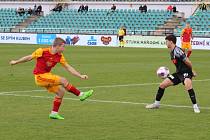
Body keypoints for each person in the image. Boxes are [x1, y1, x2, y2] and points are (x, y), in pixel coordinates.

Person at [9, 37, 93, 120]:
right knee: (63, 80)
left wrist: (80, 75)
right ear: (57, 46)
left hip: (47, 76)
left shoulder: (59, 56)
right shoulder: (42, 51)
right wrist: (16, 62)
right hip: (40, 77)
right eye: (63, 46)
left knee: (61, 92)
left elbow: (68, 67)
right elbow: (29, 57)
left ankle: (54, 113)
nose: (64, 48)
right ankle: (81, 95)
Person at [145, 35, 200, 113]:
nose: (166, 43)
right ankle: (156, 104)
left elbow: (188, 61)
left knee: (188, 85)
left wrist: (192, 71)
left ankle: (195, 106)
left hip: (186, 72)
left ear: (171, 42)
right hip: (179, 73)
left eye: (166, 41)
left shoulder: (177, 51)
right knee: (162, 85)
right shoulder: (172, 51)